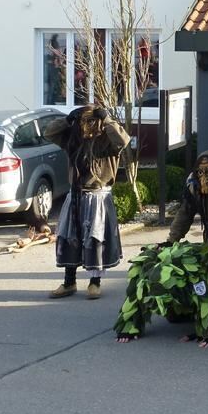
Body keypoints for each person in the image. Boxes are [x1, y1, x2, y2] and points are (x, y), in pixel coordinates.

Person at [43, 105, 129, 299]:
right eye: (82, 121)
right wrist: (67, 120)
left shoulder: (107, 141)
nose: (86, 125)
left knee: (95, 238)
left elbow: (123, 140)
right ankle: (69, 282)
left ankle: (94, 282)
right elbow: (49, 133)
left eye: (90, 121)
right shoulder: (74, 140)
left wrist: (108, 120)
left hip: (97, 196)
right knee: (69, 237)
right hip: (75, 194)